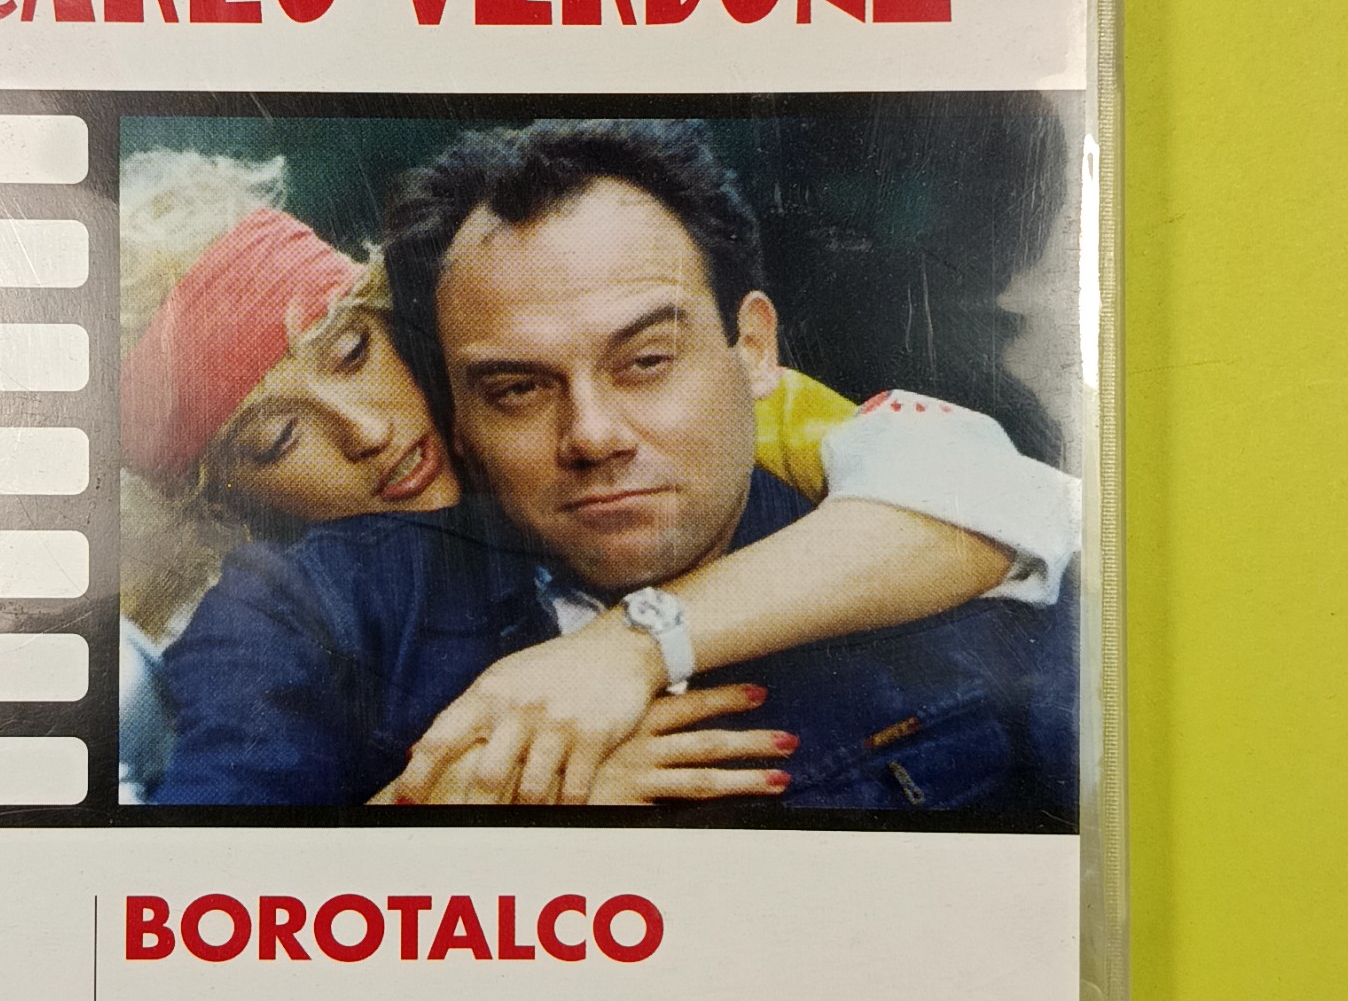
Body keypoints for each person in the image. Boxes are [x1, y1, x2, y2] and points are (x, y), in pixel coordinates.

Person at [142, 123, 1077, 813]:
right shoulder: (291, 610)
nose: (593, 434)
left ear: (751, 347)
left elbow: (1009, 505)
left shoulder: (808, 441)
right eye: (517, 388)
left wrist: (630, 645)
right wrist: (461, 805)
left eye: (646, 362)